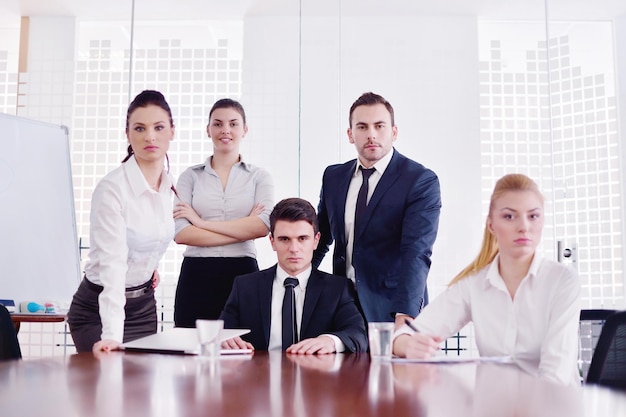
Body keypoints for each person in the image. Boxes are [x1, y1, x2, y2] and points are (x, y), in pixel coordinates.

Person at [393, 173, 581, 386]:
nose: (524, 226)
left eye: (533, 216)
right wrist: (408, 345)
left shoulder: (562, 281)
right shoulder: (474, 284)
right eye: (509, 216)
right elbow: (404, 335)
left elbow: (555, 376)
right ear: (491, 225)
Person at [312, 92, 441, 327]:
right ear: (350, 135)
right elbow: (319, 240)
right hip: (340, 306)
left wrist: (407, 312)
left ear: (394, 132)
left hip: (391, 308)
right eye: (362, 127)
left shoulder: (419, 180)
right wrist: (295, 283)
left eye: (379, 126)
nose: (371, 134)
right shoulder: (334, 177)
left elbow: (417, 251)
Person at [67, 90, 177, 353]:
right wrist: (112, 335)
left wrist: (145, 267)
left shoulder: (169, 187)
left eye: (159, 127)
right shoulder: (112, 189)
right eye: (140, 128)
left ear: (172, 131)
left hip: (143, 309)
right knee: (109, 388)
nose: (150, 136)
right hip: (99, 309)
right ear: (127, 134)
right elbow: (113, 267)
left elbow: (148, 239)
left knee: (141, 392)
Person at [172, 98, 274, 327]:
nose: (225, 130)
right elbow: (181, 234)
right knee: (191, 349)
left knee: (245, 351)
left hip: (243, 273)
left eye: (233, 124)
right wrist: (244, 227)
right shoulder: (189, 176)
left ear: (244, 130)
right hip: (196, 274)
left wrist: (200, 222)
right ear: (208, 130)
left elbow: (263, 226)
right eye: (217, 124)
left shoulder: (260, 177)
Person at [220, 198, 368, 354]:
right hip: (259, 373)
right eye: (284, 239)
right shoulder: (245, 286)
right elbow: (221, 332)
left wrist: (330, 341)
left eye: (302, 239)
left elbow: (358, 334)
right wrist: (224, 340)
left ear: (316, 240)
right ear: (272, 242)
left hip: (316, 375)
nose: (294, 248)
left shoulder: (337, 289)